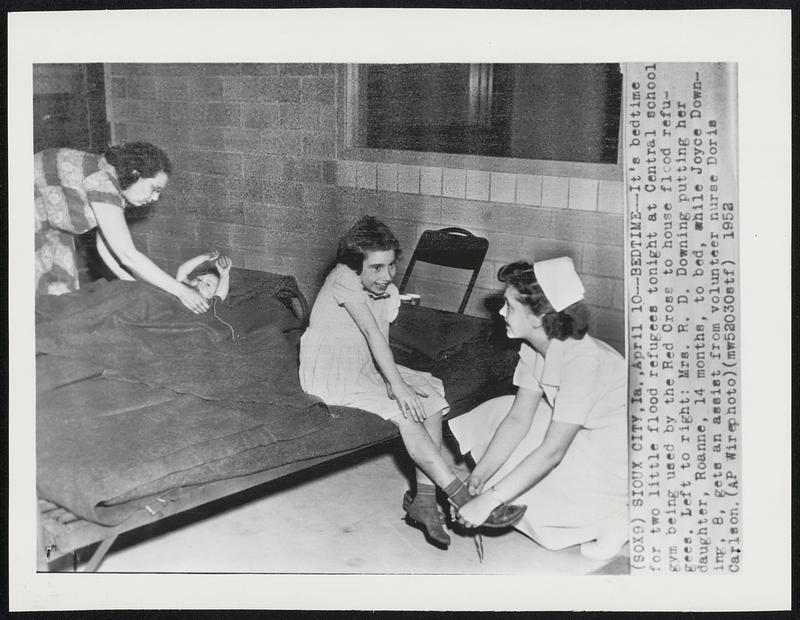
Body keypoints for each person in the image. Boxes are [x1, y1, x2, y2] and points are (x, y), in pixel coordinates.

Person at [299, 216, 524, 549]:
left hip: (363, 363)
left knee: (430, 393)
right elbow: (370, 332)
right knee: (406, 413)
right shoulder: (342, 278)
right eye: (375, 268)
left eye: (390, 266)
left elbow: (382, 340)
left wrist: (395, 381)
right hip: (331, 371)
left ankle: (424, 498)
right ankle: (460, 496)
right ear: (354, 265)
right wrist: (396, 388)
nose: (386, 275)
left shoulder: (387, 289)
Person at [449, 257, 629, 561]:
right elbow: (518, 418)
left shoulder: (583, 360)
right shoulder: (537, 347)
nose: (500, 312)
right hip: (590, 442)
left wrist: (489, 500)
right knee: (501, 409)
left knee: (544, 469)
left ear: (538, 316)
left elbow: (552, 453)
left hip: (621, 467)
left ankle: (619, 516)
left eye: (510, 306)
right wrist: (480, 476)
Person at [34, 142, 209, 314]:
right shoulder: (104, 185)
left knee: (60, 294)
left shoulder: (115, 184)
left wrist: (139, 287)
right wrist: (182, 291)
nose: (155, 198)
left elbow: (107, 249)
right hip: (23, 202)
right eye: (154, 189)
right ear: (135, 174)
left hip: (48, 219)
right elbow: (128, 255)